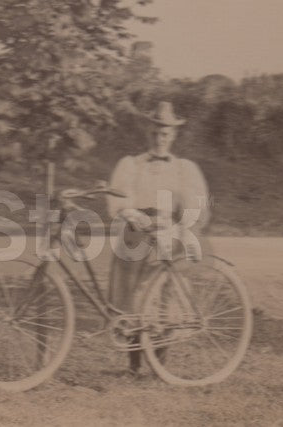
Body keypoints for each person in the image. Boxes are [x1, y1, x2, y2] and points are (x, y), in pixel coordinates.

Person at [106, 101, 210, 375]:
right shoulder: (132, 164)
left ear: (173, 135)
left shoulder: (184, 169)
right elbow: (118, 198)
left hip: (167, 234)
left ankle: (160, 364)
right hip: (136, 234)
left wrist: (179, 228)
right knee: (132, 299)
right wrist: (131, 214)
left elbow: (195, 206)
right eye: (155, 132)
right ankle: (134, 364)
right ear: (148, 132)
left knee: (166, 300)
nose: (160, 137)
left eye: (165, 133)